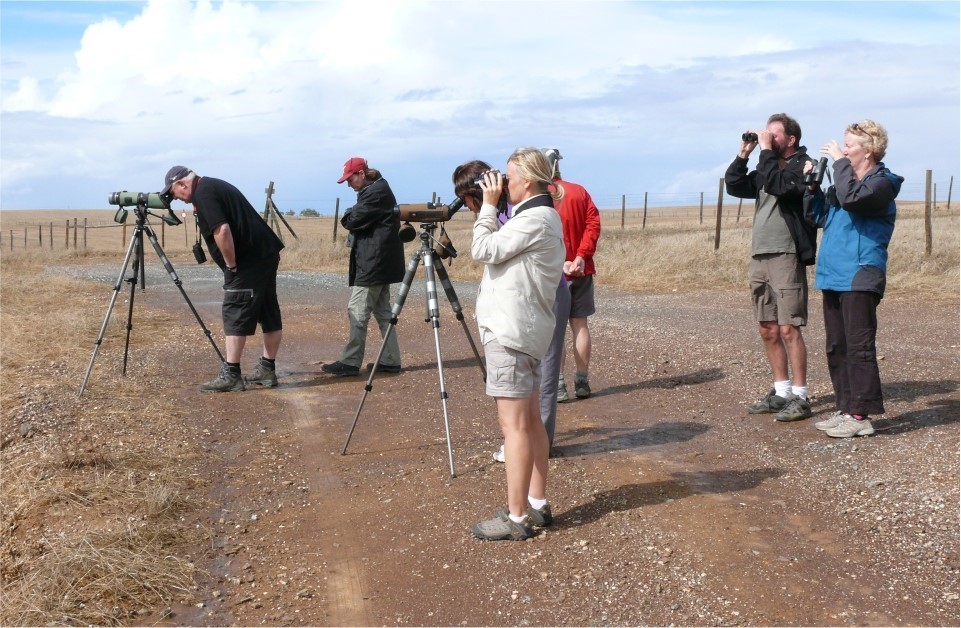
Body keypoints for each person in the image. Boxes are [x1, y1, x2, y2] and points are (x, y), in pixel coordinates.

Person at [459, 148, 565, 541]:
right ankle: (536, 503)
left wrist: (486, 206)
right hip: (524, 331)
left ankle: (517, 517)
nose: (502, 184)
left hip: (511, 333)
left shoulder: (535, 217)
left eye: (508, 176)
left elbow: (483, 249)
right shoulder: (539, 216)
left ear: (529, 180)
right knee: (531, 421)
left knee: (514, 427)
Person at [804, 121, 902, 438]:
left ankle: (861, 416)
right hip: (833, 274)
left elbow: (852, 200)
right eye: (843, 147)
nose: (843, 151)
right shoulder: (845, 184)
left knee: (859, 347)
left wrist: (839, 163)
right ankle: (846, 408)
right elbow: (818, 217)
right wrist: (811, 187)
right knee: (837, 347)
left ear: (869, 149)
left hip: (860, 274)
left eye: (849, 146)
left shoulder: (881, 184)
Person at [725, 113, 818, 422]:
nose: (769, 138)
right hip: (760, 254)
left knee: (789, 327)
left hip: (787, 253)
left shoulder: (803, 166)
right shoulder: (767, 166)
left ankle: (801, 397)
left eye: (774, 135)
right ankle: (781, 392)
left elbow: (782, 188)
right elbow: (735, 185)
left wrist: (764, 152)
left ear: (791, 140)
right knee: (767, 327)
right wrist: (744, 154)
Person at [161, 165, 285, 392]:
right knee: (268, 310)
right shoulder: (211, 186)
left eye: (173, 193)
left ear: (182, 184)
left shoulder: (204, 193)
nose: (176, 199)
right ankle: (267, 369)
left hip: (248, 260)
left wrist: (231, 264)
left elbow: (222, 230)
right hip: (264, 254)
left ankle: (232, 373)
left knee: (235, 308)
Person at [322, 157, 405, 377]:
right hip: (380, 261)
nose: (349, 184)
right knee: (383, 312)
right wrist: (353, 210)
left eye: (350, 179)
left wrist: (351, 211)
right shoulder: (377, 189)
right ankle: (390, 360)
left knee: (357, 310)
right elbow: (355, 217)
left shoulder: (374, 193)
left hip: (374, 263)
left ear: (361, 174)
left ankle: (350, 362)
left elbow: (351, 220)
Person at [546, 149, 601, 402]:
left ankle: (557, 385)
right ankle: (582, 380)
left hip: (552, 273)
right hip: (581, 270)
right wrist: (581, 256)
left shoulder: (539, 197)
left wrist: (564, 261)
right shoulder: (580, 191)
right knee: (580, 325)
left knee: (554, 330)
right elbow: (593, 224)